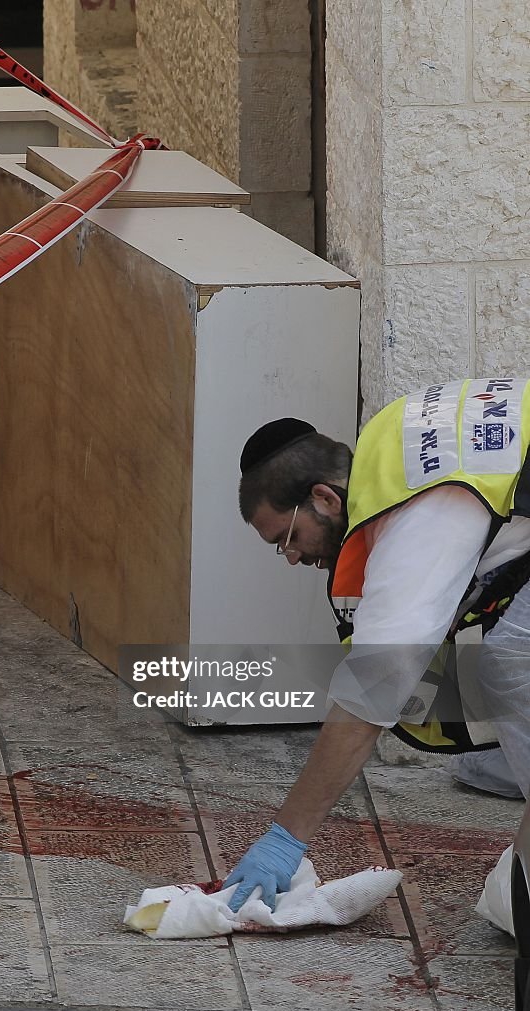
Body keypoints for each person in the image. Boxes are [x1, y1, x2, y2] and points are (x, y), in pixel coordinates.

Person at [222, 378, 530, 913]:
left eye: (287, 539)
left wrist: (286, 840)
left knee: (512, 660)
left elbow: (373, 693)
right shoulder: (392, 444)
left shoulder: (419, 517)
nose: (292, 558)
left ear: (323, 496)